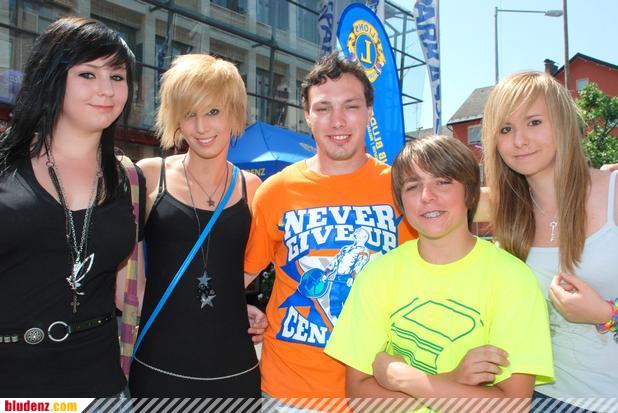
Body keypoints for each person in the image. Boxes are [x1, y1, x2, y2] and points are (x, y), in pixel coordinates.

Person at [324, 135, 554, 411]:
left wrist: (404, 378)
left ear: (470, 193)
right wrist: (450, 380)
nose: (427, 196)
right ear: (401, 202)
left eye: (443, 182)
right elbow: (358, 395)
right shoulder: (378, 274)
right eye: (412, 186)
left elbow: (511, 405)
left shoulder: (513, 279)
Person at [244, 52, 415, 407]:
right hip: (290, 393)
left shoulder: (403, 189)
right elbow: (240, 275)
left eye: (350, 106)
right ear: (307, 116)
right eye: (323, 108)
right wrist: (238, 312)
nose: (338, 121)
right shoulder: (276, 190)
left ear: (369, 112)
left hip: (380, 393)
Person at [0, 17, 139, 396]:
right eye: (88, 74)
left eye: (117, 76)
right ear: (52, 78)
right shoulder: (6, 165)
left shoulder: (126, 179)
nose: (106, 89)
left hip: (101, 387)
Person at [128, 53, 263, 397]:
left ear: (234, 112)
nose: (201, 127)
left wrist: (239, 305)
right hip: (158, 365)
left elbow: (255, 263)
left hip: (235, 369)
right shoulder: (149, 175)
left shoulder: (253, 188)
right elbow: (126, 275)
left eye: (213, 111)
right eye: (189, 114)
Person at [481, 72, 618, 408]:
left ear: (563, 123)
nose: (520, 141)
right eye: (506, 129)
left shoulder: (613, 194)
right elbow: (420, 195)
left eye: (534, 122)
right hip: (544, 398)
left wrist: (606, 313)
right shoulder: (506, 209)